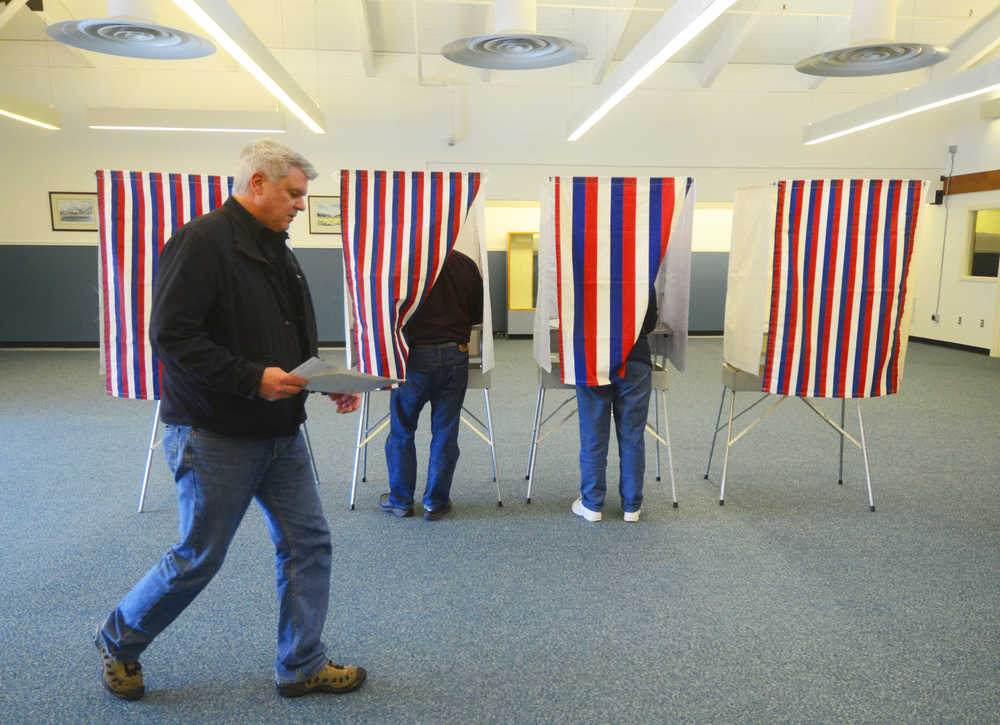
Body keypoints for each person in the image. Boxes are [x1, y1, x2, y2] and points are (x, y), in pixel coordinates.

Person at [95, 140, 366, 701]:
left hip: (280, 432)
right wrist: (252, 379)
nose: (299, 205)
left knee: (309, 543)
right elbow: (172, 338)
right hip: (213, 433)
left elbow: (280, 338)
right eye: (293, 193)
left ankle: (300, 663)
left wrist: (319, 383)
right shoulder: (201, 242)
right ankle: (119, 639)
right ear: (257, 183)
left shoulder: (276, 248)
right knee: (200, 556)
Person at [379, 249, 484, 521]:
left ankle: (400, 500)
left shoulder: (402, 263)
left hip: (414, 357)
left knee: (402, 429)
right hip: (456, 354)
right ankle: (436, 502)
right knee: (445, 431)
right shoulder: (464, 263)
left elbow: (386, 313)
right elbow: (477, 314)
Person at [571, 297, 658, 524]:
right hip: (635, 357)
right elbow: (649, 323)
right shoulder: (641, 269)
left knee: (593, 433)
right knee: (632, 435)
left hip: (593, 356)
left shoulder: (584, 269)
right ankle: (632, 507)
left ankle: (591, 504)